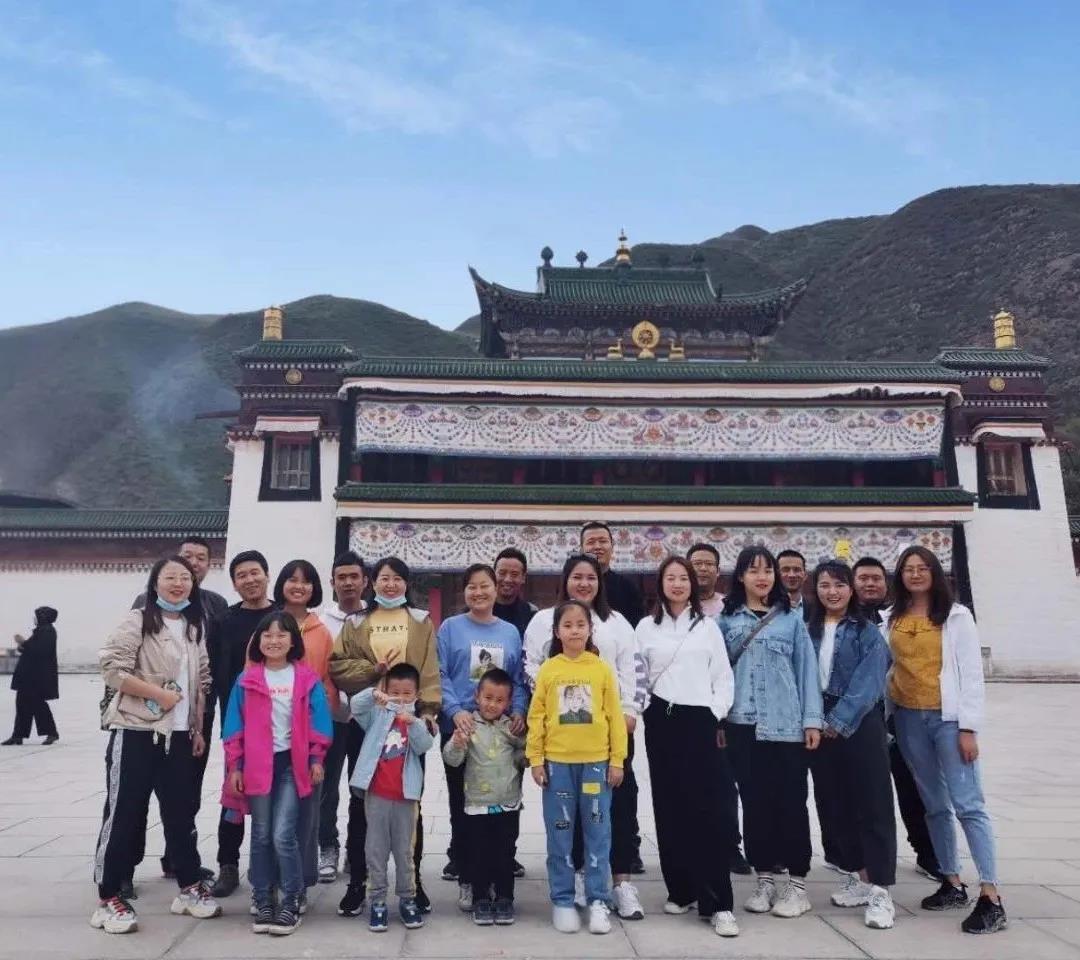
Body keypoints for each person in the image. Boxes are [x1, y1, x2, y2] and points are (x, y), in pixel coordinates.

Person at [92, 557, 221, 934]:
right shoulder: (137, 620)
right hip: (137, 731)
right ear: (155, 583)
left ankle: (189, 887)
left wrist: (197, 728)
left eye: (185, 578)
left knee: (181, 814)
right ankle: (108, 897)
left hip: (180, 736)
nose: (178, 584)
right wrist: (157, 695)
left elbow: (203, 679)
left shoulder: (195, 626)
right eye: (170, 577)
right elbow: (112, 669)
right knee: (124, 814)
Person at [883, 546, 1007, 934]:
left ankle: (991, 894)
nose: (915, 574)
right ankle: (951, 881)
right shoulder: (891, 617)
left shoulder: (956, 617)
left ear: (935, 573)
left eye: (923, 568)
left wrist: (969, 727)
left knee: (968, 804)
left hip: (948, 721)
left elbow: (971, 674)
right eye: (908, 569)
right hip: (908, 718)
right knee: (933, 804)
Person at [524, 553, 647, 921]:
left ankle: (615, 884)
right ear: (565, 580)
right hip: (561, 744)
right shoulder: (543, 621)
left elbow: (633, 669)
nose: (584, 583)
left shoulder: (617, 622)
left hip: (608, 736)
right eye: (577, 576)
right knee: (564, 820)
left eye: (591, 577)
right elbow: (531, 669)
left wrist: (630, 710)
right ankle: (572, 884)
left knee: (612, 812)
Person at [330, 556, 440, 916]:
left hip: (407, 721)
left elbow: (429, 670)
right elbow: (338, 666)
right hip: (367, 721)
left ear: (406, 583)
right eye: (383, 578)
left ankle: (413, 883)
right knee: (361, 801)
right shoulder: (356, 621)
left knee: (410, 800)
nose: (390, 585)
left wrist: (427, 711)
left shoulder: (421, 621)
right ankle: (358, 882)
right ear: (372, 583)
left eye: (397, 579)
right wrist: (373, 670)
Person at [636, 557, 739, 938]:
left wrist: (714, 712)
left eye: (683, 578)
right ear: (660, 583)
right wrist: (644, 708)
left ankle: (718, 903)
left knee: (708, 810)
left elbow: (723, 676)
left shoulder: (708, 627)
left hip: (700, 719)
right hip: (661, 720)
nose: (677, 584)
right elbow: (636, 675)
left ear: (692, 585)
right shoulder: (645, 627)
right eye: (670, 577)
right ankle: (680, 889)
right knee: (669, 806)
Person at [719, 545, 822, 919]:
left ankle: (797, 884)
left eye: (767, 570)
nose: (761, 577)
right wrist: (719, 721)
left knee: (791, 803)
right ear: (741, 577)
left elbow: (806, 671)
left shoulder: (791, 619)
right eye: (753, 570)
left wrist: (812, 721)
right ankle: (764, 879)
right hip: (743, 724)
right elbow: (718, 675)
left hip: (786, 725)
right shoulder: (726, 621)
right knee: (755, 804)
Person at [221, 611, 333, 936]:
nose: (274, 641)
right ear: (257, 642)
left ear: (293, 641)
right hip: (257, 767)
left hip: (291, 766)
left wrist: (316, 758)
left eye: (281, 635)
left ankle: (292, 897)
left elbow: (319, 723)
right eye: (267, 635)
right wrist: (235, 766)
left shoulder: (306, 679)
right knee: (260, 834)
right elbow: (234, 727)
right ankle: (262, 897)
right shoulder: (247, 680)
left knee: (284, 834)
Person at [527, 599, 628, 935]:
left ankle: (599, 900)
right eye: (567, 625)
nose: (574, 631)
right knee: (560, 834)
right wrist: (536, 759)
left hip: (596, 765)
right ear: (557, 631)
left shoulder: (601, 669)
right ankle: (563, 899)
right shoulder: (549, 669)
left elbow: (615, 717)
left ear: (590, 629)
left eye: (580, 625)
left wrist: (617, 760)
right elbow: (537, 716)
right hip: (558, 765)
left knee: (598, 833)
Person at [806, 561, 896, 930]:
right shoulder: (806, 629)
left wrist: (839, 721)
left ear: (851, 589)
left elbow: (869, 681)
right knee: (834, 804)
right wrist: (814, 719)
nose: (833, 592)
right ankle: (859, 876)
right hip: (817, 723)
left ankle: (881, 890)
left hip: (859, 723)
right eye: (825, 585)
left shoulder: (866, 631)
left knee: (872, 804)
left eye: (839, 585)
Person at [436, 563, 527, 908]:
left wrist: (518, 711)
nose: (479, 592)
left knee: (503, 807)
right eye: (472, 586)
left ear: (495, 588)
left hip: (501, 735)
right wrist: (454, 710)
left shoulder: (509, 632)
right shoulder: (450, 627)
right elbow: (440, 673)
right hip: (462, 729)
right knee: (463, 808)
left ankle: (498, 876)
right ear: (465, 591)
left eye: (485, 585)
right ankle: (468, 876)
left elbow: (517, 678)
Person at [852, 556, 941, 881]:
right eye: (863, 578)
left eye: (876, 578)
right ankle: (859, 858)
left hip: (898, 714)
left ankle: (928, 853)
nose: (870, 583)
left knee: (913, 786)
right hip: (858, 720)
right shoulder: (843, 619)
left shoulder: (899, 618)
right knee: (862, 794)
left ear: (886, 582)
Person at [348, 662, 435, 933]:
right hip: (377, 796)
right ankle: (377, 901)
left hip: (406, 799)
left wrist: (414, 724)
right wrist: (373, 694)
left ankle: (408, 899)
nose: (400, 698)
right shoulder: (377, 715)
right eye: (394, 692)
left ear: (416, 695)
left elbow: (425, 745)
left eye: (407, 694)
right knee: (375, 850)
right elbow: (355, 706)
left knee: (404, 851)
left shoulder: (417, 721)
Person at [210, 550, 276, 899]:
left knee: (277, 796)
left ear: (267, 575)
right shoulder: (224, 621)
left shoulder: (282, 616)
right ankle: (228, 864)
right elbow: (214, 671)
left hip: (279, 723)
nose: (250, 580)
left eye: (255, 572)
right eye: (241, 575)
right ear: (234, 584)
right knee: (234, 793)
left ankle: (272, 865)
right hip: (238, 721)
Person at [273, 559, 337, 898]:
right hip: (271, 735)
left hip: (307, 736)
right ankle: (268, 881)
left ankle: (300, 882)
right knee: (270, 815)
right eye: (292, 579)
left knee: (306, 811)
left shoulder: (321, 631)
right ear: (281, 583)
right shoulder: (268, 625)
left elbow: (327, 681)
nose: (299, 586)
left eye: (306, 581)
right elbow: (250, 677)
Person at [442, 667, 526, 926]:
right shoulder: (468, 725)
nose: (492, 704)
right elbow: (452, 760)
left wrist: (527, 752)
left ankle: (504, 898)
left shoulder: (510, 728)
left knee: (505, 852)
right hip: (477, 805)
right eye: (488, 698)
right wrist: (457, 743)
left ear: (508, 703)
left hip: (507, 803)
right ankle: (480, 898)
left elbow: (523, 755)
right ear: (476, 696)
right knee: (477, 852)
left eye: (499, 700)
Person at [687, 542, 750, 875]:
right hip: (685, 708)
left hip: (724, 708)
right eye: (696, 563)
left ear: (718, 569)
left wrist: (720, 714)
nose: (702, 569)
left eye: (708, 563)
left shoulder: (730, 608)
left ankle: (730, 845)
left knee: (726, 782)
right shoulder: (675, 608)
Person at [317, 551, 368, 884]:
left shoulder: (375, 618)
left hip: (366, 719)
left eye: (354, 577)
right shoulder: (321, 621)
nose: (348, 583)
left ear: (365, 581)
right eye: (342, 577)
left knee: (361, 786)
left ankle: (356, 849)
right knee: (326, 787)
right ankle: (327, 846)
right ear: (332, 582)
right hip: (331, 718)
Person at [3, 606, 59, 745]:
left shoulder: (47, 631)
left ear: (43, 617)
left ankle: (51, 733)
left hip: (36, 678)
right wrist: (22, 645)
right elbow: (31, 648)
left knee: (37, 705)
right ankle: (18, 735)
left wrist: (22, 642)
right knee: (23, 705)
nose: (35, 619)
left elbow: (40, 651)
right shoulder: (41, 631)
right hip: (29, 677)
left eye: (37, 616)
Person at [493, 547, 537, 638]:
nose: (507, 579)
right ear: (493, 575)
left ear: (523, 578)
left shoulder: (532, 613)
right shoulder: (479, 610)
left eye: (514, 574)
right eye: (502, 573)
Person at [776, 549, 809, 616]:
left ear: (805, 575)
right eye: (785, 570)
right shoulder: (767, 608)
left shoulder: (816, 609)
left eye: (797, 570)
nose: (792, 575)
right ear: (776, 574)